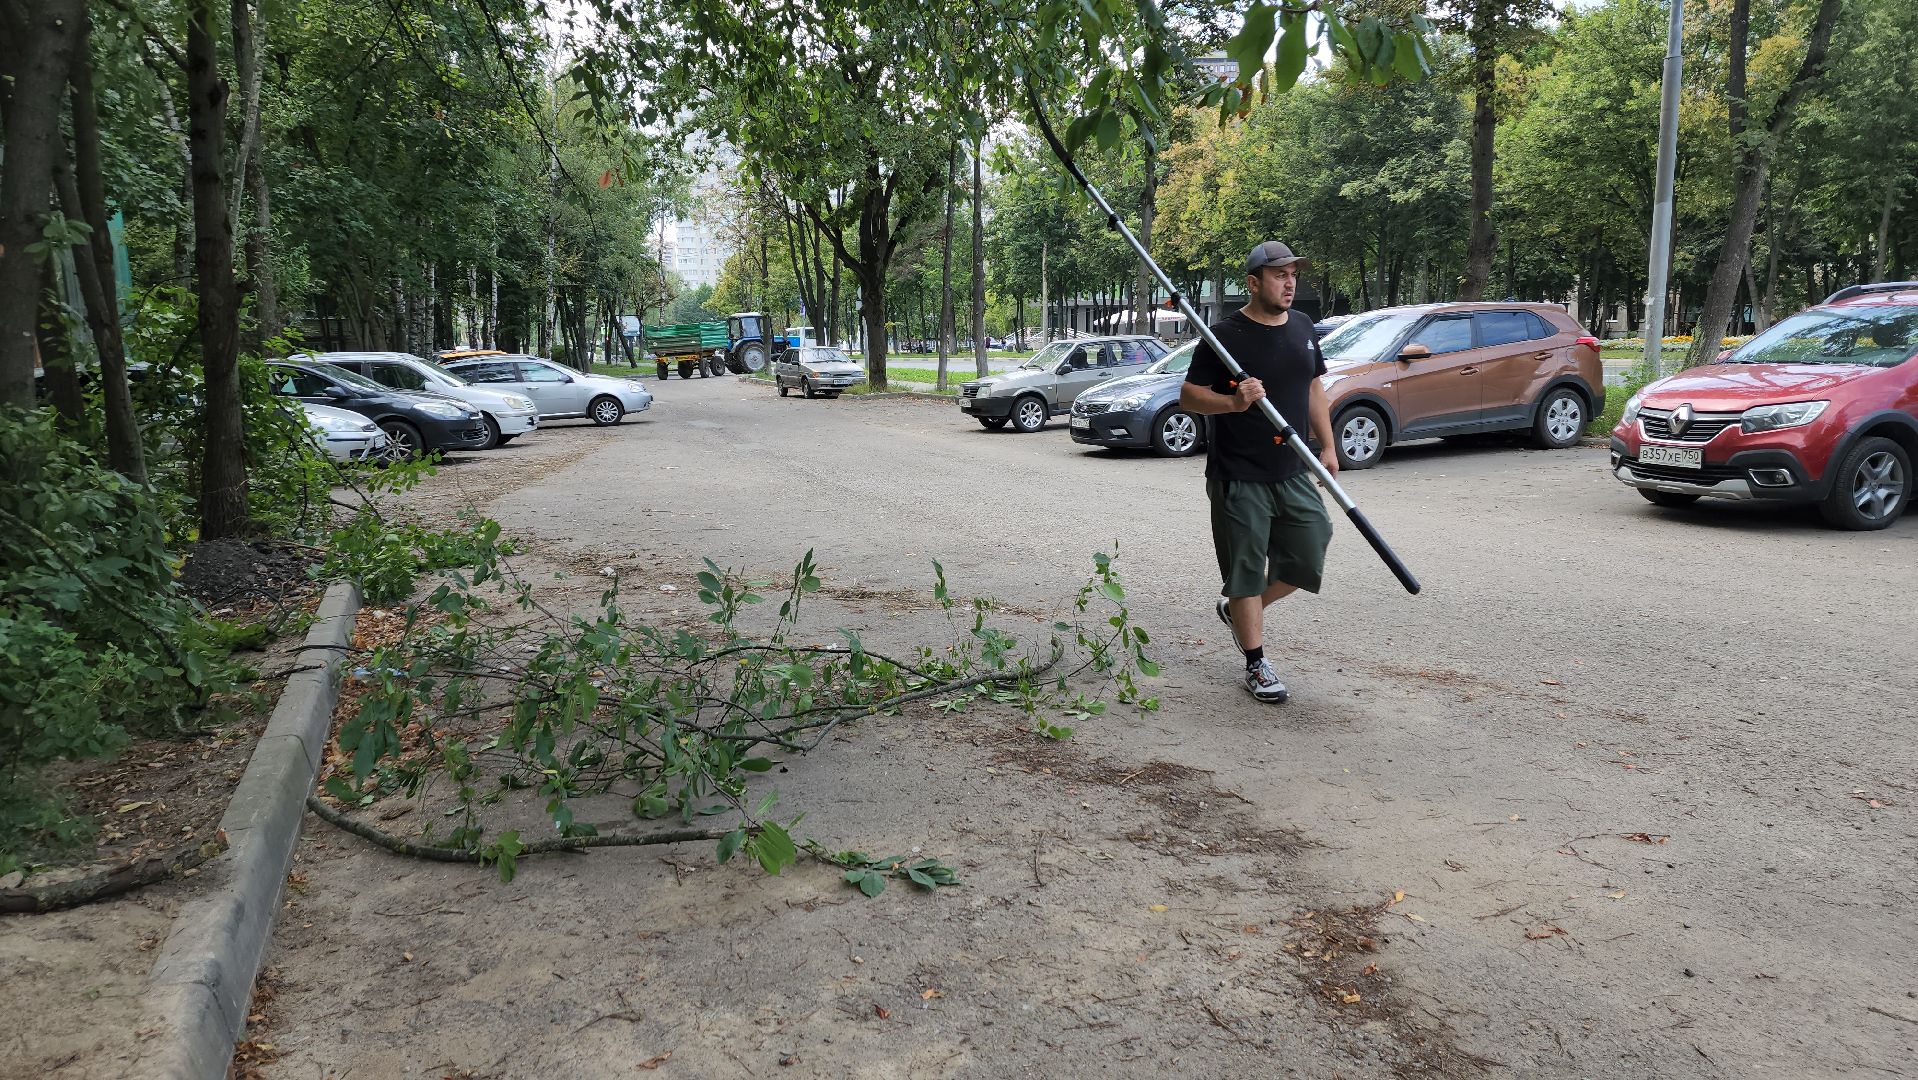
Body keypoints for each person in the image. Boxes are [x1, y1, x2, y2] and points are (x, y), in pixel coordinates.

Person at [1179, 241, 1337, 704]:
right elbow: (1189, 396)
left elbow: (1313, 388)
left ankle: (1238, 609)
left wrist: (1326, 445)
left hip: (1291, 468)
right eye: (1279, 275)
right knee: (1246, 571)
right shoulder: (1224, 335)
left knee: (1310, 550)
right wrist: (1233, 402)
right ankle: (1256, 662)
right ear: (1253, 282)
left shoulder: (1305, 327)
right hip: (1238, 472)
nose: (1290, 283)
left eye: (1293, 275)